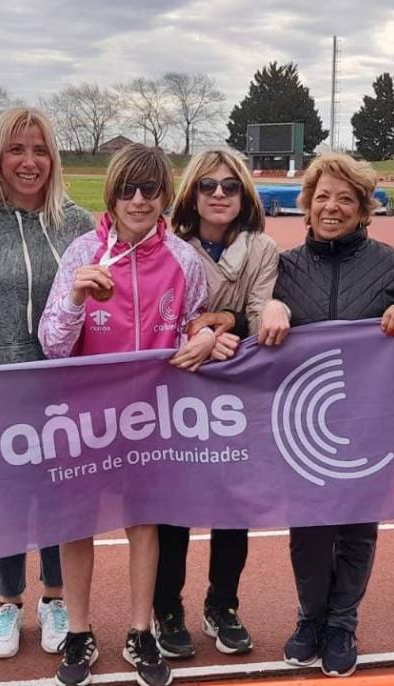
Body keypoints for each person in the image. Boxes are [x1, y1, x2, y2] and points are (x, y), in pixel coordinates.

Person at [39, 143, 214, 686]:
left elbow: (196, 326)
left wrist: (206, 336)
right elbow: (51, 344)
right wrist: (73, 299)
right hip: (87, 416)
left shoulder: (184, 259)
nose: (139, 200)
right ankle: (79, 631)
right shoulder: (81, 253)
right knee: (76, 526)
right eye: (127, 189)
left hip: (151, 420)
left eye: (151, 190)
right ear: (112, 196)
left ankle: (141, 632)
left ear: (165, 196)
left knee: (144, 523)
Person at [258, 153, 394, 678]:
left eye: (346, 199)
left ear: (364, 209)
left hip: (368, 426)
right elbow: (247, 323)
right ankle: (311, 617)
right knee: (308, 529)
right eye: (323, 197)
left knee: (355, 529)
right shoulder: (283, 268)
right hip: (299, 425)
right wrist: (267, 309)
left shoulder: (392, 265)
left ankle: (342, 621)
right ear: (306, 205)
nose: (332, 207)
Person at [0, 106, 95, 659]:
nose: (29, 162)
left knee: (61, 491)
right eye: (17, 150)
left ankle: (56, 597)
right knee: (9, 496)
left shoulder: (79, 224)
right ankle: (8, 601)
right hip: (0, 376)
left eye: (40, 150)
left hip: (67, 382)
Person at [150, 149, 277, 660]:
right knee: (172, 509)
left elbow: (257, 312)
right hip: (177, 393)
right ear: (191, 193)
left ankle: (223, 604)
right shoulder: (170, 246)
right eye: (207, 185)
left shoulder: (263, 248)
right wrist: (196, 332)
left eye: (229, 185)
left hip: (236, 393)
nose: (219, 194)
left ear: (244, 192)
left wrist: (223, 326)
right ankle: (166, 607)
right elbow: (165, 315)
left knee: (233, 507)